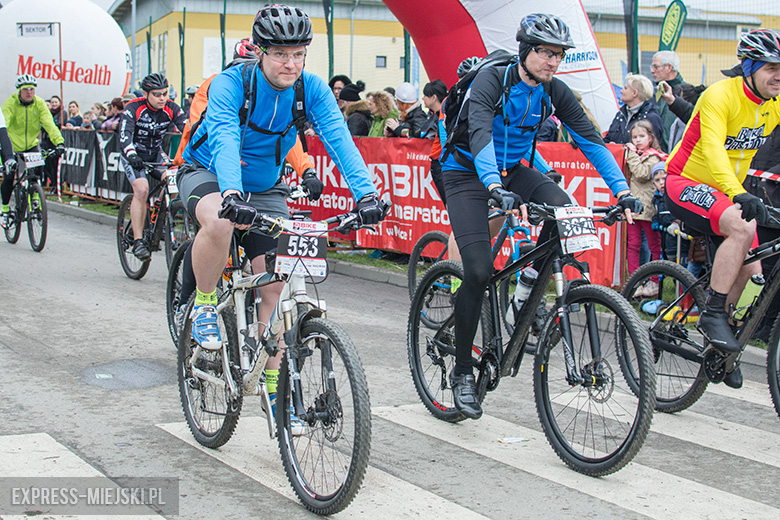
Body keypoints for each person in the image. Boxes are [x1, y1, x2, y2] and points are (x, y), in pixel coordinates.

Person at [178, 4, 382, 423]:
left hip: (267, 185)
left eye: (299, 54)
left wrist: (367, 195)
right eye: (280, 54)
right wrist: (232, 191)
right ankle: (201, 305)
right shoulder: (231, 84)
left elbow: (340, 140)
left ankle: (276, 395)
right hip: (210, 171)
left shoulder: (311, 90)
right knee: (219, 219)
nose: (291, 63)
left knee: (276, 290)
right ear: (260, 52)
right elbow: (222, 136)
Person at [439, 13, 642, 419]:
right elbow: (479, 132)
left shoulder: (554, 91)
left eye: (559, 55)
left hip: (512, 171)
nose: (553, 62)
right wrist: (494, 186)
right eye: (545, 53)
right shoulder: (492, 81)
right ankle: (462, 373)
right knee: (478, 272)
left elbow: (591, 140)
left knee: (564, 210)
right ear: (525, 50)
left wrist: (622, 190)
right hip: (465, 173)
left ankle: (527, 286)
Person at [664, 28, 780, 389]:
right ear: (748, 66)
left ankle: (722, 337)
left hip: (727, 193)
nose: (778, 74)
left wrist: (737, 193)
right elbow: (714, 152)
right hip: (685, 182)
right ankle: (712, 314)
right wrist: (738, 192)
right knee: (744, 230)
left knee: (753, 261)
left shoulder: (773, 103)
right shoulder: (720, 95)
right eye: (770, 66)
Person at [118, 72, 187, 260]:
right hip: (134, 154)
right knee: (141, 190)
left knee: (173, 182)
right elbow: (124, 135)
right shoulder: (133, 108)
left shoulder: (171, 108)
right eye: (157, 94)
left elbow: (189, 131)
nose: (162, 98)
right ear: (146, 94)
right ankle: (139, 240)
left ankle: (160, 218)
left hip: (155, 154)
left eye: (165, 93)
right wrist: (132, 154)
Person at [1, 75, 65, 225]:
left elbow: (49, 124)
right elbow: (4, 124)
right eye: (25, 89)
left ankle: (35, 199)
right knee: (9, 177)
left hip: (30, 145)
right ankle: (5, 209)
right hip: (11, 146)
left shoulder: (40, 103)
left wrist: (59, 142)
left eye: (32, 89)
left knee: (36, 172)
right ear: (19, 91)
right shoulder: (10, 103)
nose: (29, 92)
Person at [624, 120, 665, 294]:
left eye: (642, 136)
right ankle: (634, 280)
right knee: (633, 244)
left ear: (650, 136)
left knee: (654, 245)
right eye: (634, 137)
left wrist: (631, 155)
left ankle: (654, 281)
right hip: (634, 208)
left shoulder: (654, 157)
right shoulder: (637, 154)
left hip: (648, 209)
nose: (638, 140)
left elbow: (641, 174)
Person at [651, 50, 704, 152]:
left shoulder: (688, 93)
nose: (652, 71)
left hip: (677, 155)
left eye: (656, 67)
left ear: (669, 67)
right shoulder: (654, 93)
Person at [604, 73, 664, 146]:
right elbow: (608, 139)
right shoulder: (620, 115)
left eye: (625, 88)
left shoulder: (652, 118)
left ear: (635, 93)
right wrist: (610, 145)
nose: (621, 91)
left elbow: (654, 147)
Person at [421, 79, 448, 205]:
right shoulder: (440, 112)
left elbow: (443, 138)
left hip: (442, 163)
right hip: (443, 163)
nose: (423, 98)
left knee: (451, 204)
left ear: (433, 97)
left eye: (425, 95)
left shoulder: (443, 112)